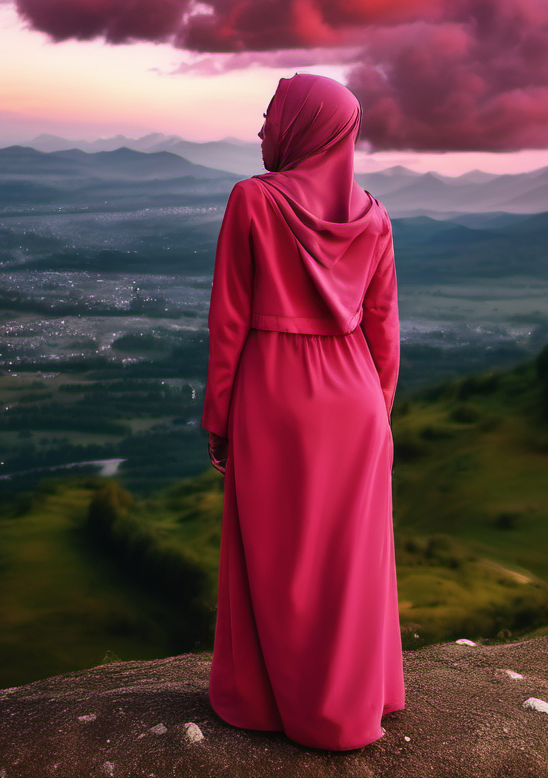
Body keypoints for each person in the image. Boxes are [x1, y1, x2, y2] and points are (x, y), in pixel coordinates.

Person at [202, 73, 405, 751]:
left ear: (304, 128)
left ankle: (265, 701)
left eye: (270, 118)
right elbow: (384, 331)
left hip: (274, 394)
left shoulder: (251, 201)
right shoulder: (375, 215)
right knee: (350, 557)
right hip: (356, 400)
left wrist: (218, 417)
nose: (262, 131)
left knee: (273, 557)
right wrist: (381, 416)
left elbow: (228, 322)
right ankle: (356, 701)